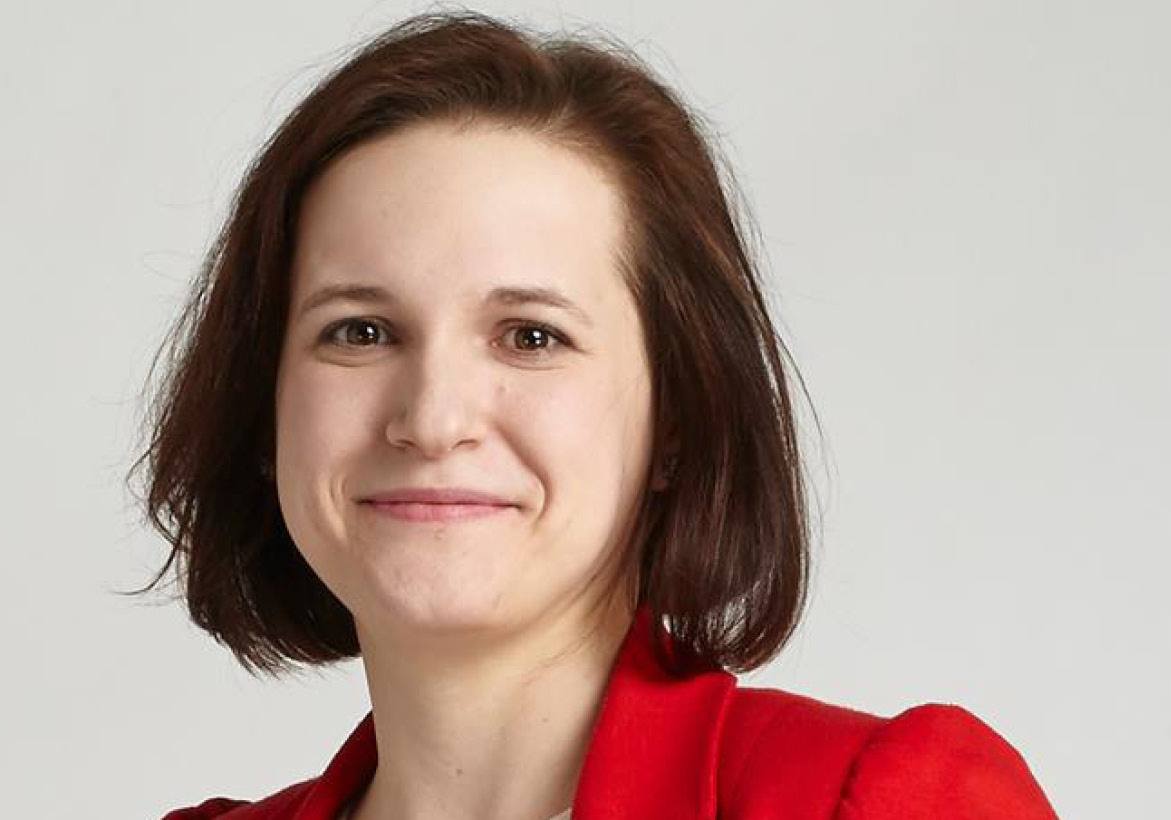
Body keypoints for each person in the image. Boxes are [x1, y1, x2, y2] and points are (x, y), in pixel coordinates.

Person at [134, 10, 1058, 820]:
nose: (432, 417)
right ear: (263, 408)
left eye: (530, 337)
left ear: (679, 422)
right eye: (362, 330)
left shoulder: (876, 804)